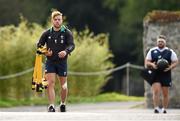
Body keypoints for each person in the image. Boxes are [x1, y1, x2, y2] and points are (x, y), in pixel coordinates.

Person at [37, 10, 75, 112]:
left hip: (62, 62)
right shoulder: (46, 33)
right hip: (50, 62)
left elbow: (72, 45)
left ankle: (62, 103)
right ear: (52, 20)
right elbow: (39, 46)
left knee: (63, 86)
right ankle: (51, 106)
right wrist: (45, 52)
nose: (57, 21)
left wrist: (66, 51)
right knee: (50, 83)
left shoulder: (67, 32)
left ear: (62, 20)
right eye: (55, 19)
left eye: (59, 19)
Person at [145, 35, 178, 114]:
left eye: (162, 41)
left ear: (165, 42)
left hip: (165, 74)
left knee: (165, 93)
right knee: (156, 91)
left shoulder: (170, 51)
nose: (160, 43)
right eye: (159, 41)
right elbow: (147, 61)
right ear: (157, 42)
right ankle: (156, 108)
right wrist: (152, 65)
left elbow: (176, 61)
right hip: (155, 73)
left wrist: (170, 67)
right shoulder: (152, 51)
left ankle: (164, 109)